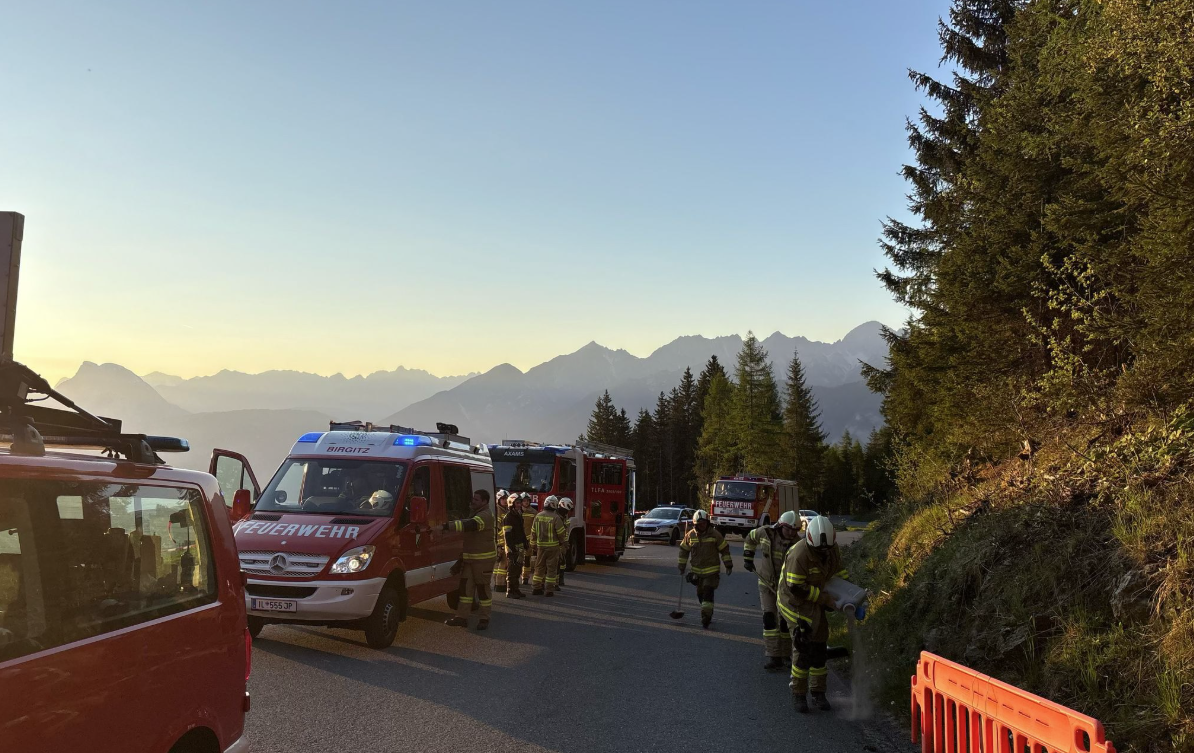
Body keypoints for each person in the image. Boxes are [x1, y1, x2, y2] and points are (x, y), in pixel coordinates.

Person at [778, 515, 847, 713]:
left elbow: (838, 572)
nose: (823, 552)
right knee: (803, 645)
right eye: (819, 550)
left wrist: (848, 594)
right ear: (809, 540)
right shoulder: (799, 554)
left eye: (826, 549)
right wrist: (824, 599)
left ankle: (818, 692)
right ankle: (798, 694)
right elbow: (796, 587)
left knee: (819, 647)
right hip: (794, 603)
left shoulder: (830, 549)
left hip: (814, 599)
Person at [744, 510, 801, 670]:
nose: (791, 533)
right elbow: (750, 537)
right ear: (781, 526)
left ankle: (786, 654)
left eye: (795, 530)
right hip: (766, 584)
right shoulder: (766, 533)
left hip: (786, 590)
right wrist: (748, 557)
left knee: (785, 622)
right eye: (788, 529)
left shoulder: (798, 543)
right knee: (769, 619)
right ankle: (773, 656)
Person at [442, 489, 497, 630]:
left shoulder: (485, 516)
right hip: (470, 560)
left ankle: (484, 618)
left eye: (476, 499)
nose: (473, 500)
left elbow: (470, 525)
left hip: (482, 561)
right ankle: (462, 617)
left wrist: (447, 526)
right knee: (466, 591)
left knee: (483, 590)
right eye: (473, 498)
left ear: (484, 502)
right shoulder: (476, 513)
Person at [677, 510, 733, 629]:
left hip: (711, 572)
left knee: (708, 593)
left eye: (704, 523)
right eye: (699, 524)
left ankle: (705, 618)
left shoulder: (715, 535)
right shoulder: (690, 535)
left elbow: (724, 549)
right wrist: (681, 566)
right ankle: (707, 610)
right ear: (695, 524)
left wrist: (728, 565)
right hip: (697, 573)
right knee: (700, 595)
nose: (702, 526)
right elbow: (683, 550)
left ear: (708, 523)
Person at [531, 496, 567, 596]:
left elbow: (533, 532)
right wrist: (563, 544)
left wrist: (533, 544)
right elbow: (561, 533)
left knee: (539, 567)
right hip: (553, 548)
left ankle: (536, 588)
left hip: (540, 547)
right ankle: (549, 590)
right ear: (554, 505)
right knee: (551, 569)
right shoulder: (556, 517)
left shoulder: (538, 516)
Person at [501, 493, 528, 598]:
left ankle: (516, 589)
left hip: (519, 546)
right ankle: (510, 591)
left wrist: (525, 542)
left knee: (518, 569)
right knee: (512, 569)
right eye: (517, 503)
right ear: (511, 503)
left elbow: (521, 531)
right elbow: (507, 534)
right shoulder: (509, 517)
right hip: (512, 547)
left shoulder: (519, 515)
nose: (519, 505)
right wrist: (511, 548)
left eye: (520, 503)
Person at [493, 490, 510, 591]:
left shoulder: (505, 510)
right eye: (503, 499)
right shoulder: (498, 511)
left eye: (506, 499)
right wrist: (501, 544)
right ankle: (500, 584)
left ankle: (497, 582)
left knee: (498, 564)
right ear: (498, 500)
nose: (505, 501)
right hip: (501, 541)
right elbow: (498, 529)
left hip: (503, 541)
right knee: (502, 563)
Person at [556, 498, 573, 588]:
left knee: (562, 562)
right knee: (557, 562)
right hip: (556, 543)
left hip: (563, 543)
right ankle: (557, 581)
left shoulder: (564, 516)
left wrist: (566, 543)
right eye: (567, 510)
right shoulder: (557, 516)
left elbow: (565, 531)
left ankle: (560, 579)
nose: (567, 512)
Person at [521, 494, 537, 586]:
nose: (526, 502)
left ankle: (525, 577)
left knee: (527, 559)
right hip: (519, 539)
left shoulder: (534, 512)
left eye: (527, 501)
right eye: (524, 501)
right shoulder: (517, 511)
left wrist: (533, 539)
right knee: (517, 560)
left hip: (528, 540)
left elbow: (535, 527)